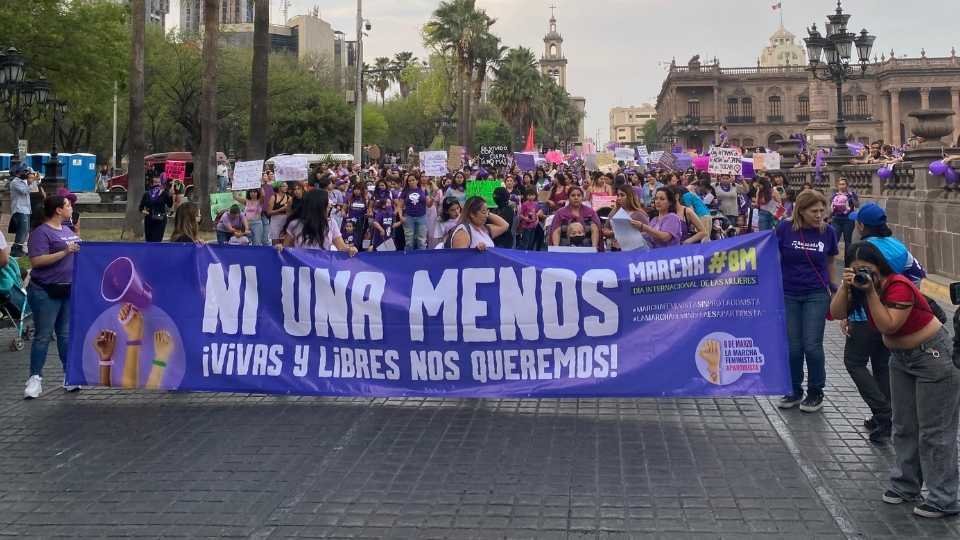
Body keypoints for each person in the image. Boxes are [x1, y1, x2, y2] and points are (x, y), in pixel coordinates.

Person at [830, 241, 958, 518]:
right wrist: (846, 286)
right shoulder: (858, 286)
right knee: (903, 425)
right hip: (901, 360)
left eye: (868, 269)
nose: (864, 274)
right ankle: (906, 485)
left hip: (932, 358)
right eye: (856, 270)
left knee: (934, 432)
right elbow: (837, 312)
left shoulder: (898, 285)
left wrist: (871, 293)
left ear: (880, 267)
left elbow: (889, 324)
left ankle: (944, 498)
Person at [838, 203, 926, 443]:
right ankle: (890, 417)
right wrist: (901, 301)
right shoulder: (898, 247)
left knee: (854, 362)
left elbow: (852, 288)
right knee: (881, 366)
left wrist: (847, 315)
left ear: (861, 225)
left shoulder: (860, 251)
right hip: (890, 316)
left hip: (863, 317)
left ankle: (883, 412)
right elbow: (918, 274)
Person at [776, 190, 839, 412]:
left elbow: (830, 261)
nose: (819, 215)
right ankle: (793, 389)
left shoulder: (828, 232)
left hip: (816, 293)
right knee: (793, 347)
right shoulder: (784, 229)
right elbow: (773, 256)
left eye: (822, 210)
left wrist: (835, 288)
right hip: (789, 292)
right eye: (814, 211)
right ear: (801, 211)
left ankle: (815, 391)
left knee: (812, 345)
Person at [24, 195, 82, 399]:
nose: (71, 207)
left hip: (66, 289)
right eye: (67, 205)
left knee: (65, 335)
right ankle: (34, 378)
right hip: (45, 290)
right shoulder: (41, 233)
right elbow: (37, 261)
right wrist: (65, 252)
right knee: (43, 335)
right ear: (58, 210)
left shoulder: (67, 230)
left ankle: (69, 375)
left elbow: (77, 250)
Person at [282, 190, 358, 256]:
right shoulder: (295, 224)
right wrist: (279, 247)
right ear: (319, 205)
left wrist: (350, 249)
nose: (330, 205)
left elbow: (341, 247)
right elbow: (286, 248)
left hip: (322, 269)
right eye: (327, 201)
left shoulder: (331, 223)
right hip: (301, 269)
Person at [8, 165, 38, 257]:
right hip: (19, 209)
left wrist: (34, 179)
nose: (25, 173)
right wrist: (31, 181)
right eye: (23, 172)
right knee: (22, 230)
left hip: (26, 209)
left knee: (25, 231)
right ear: (18, 173)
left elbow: (34, 189)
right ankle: (16, 250)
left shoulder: (24, 182)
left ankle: (18, 248)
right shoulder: (15, 182)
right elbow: (24, 191)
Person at [139, 174, 174, 242]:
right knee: (149, 240)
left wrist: (170, 196)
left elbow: (170, 205)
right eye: (155, 182)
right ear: (152, 184)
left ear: (161, 183)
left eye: (159, 182)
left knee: (157, 240)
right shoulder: (147, 194)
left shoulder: (164, 193)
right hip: (149, 220)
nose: (157, 184)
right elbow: (141, 208)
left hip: (160, 220)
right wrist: (146, 212)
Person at [398, 173, 428, 251]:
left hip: (422, 216)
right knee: (409, 241)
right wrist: (401, 216)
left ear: (417, 180)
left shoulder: (423, 190)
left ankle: (422, 258)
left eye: (413, 180)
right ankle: (408, 259)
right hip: (409, 217)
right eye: (409, 181)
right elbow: (400, 206)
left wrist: (434, 196)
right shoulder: (405, 191)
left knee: (421, 240)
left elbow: (429, 204)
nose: (411, 182)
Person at [830, 177, 859, 252]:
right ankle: (831, 259)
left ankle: (848, 261)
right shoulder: (834, 195)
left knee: (848, 241)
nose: (842, 186)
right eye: (840, 184)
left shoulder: (851, 194)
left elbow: (857, 205)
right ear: (837, 186)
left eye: (843, 184)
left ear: (847, 185)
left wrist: (852, 197)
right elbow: (831, 208)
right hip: (836, 220)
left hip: (848, 220)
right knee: (834, 240)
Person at [267, 181, 291, 245]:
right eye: (284, 186)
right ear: (279, 187)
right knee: (275, 241)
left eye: (286, 186)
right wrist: (280, 210)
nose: (286, 188)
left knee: (284, 240)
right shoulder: (273, 197)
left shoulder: (289, 198)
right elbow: (268, 212)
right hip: (275, 220)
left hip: (285, 219)